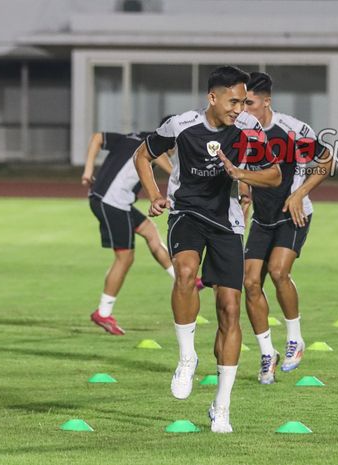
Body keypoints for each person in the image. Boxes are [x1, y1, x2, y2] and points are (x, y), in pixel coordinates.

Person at [134, 66, 281, 433]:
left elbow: (275, 174)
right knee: (184, 273)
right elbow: (142, 155)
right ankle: (187, 357)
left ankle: (222, 406)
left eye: (244, 101)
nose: (239, 108)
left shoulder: (250, 129)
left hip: (227, 222)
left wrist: (241, 175)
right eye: (233, 100)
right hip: (186, 213)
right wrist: (154, 194)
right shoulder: (181, 126)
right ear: (212, 98)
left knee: (230, 311)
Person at [240, 72, 332, 383]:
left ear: (266, 102)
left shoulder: (291, 130)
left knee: (279, 272)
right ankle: (267, 353)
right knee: (250, 282)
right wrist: (243, 195)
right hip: (262, 218)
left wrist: (300, 193)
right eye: (240, 102)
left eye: (249, 103)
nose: (243, 109)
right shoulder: (239, 130)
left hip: (294, 214)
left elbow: (326, 160)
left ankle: (295, 338)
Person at [82, 122, 176, 335]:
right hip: (111, 202)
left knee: (150, 231)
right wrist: (178, 174)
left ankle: (183, 280)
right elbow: (157, 153)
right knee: (125, 257)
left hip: (114, 201)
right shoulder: (152, 144)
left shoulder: (131, 137)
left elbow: (98, 136)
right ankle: (103, 313)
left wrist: (88, 171)